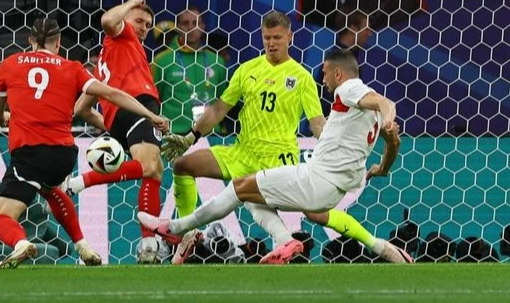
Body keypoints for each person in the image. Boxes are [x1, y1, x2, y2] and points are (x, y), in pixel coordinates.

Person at [140, 49, 413, 265]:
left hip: (313, 177)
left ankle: (175, 227)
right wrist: (382, 167)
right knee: (251, 193)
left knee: (239, 187)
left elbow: (384, 102)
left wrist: (389, 115)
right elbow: (393, 141)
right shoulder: (368, 115)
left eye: (326, 74)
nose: (324, 80)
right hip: (332, 188)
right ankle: (298, 241)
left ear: (338, 73)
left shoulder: (349, 89)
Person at [0, 18, 168, 269]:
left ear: (30, 40)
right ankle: (83, 246)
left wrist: (8, 116)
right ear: (58, 43)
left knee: (2, 216)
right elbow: (111, 93)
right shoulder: (72, 67)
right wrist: (150, 115)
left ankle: (20, 243)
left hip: (29, 152)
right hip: (63, 155)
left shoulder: (10, 64)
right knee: (51, 190)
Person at [159, 11, 326, 264]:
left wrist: (331, 152)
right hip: (242, 152)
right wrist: (190, 137)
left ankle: (372, 244)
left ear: (290, 37)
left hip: (277, 158)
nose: (271, 43)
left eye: (277, 38)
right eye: (267, 37)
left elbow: (317, 123)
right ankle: (188, 235)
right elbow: (218, 109)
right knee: (183, 165)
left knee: (316, 214)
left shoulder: (302, 77)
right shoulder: (247, 69)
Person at [63, 0, 168, 263]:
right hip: (138, 104)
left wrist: (110, 126)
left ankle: (148, 244)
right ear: (126, 19)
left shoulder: (106, 59)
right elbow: (108, 20)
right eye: (139, 21)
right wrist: (132, 3)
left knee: (155, 170)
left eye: (148, 24)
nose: (143, 28)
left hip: (120, 118)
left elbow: (81, 109)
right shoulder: (122, 36)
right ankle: (78, 183)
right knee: (148, 166)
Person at [151, 6, 228, 135]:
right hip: (174, 133)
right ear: (178, 27)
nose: (191, 28)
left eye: (195, 23)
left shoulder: (217, 61)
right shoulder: (161, 61)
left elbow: (221, 98)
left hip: (210, 135)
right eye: (185, 23)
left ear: (202, 26)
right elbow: (155, 99)